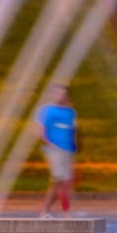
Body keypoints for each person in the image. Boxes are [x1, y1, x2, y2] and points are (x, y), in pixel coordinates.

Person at [37, 84, 77, 218]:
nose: (60, 96)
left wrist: (73, 147)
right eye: (57, 93)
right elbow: (41, 132)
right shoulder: (47, 111)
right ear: (52, 95)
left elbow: (72, 131)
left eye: (63, 93)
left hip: (68, 151)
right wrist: (52, 146)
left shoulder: (70, 112)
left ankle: (64, 211)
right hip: (54, 149)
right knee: (58, 178)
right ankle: (45, 210)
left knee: (64, 182)